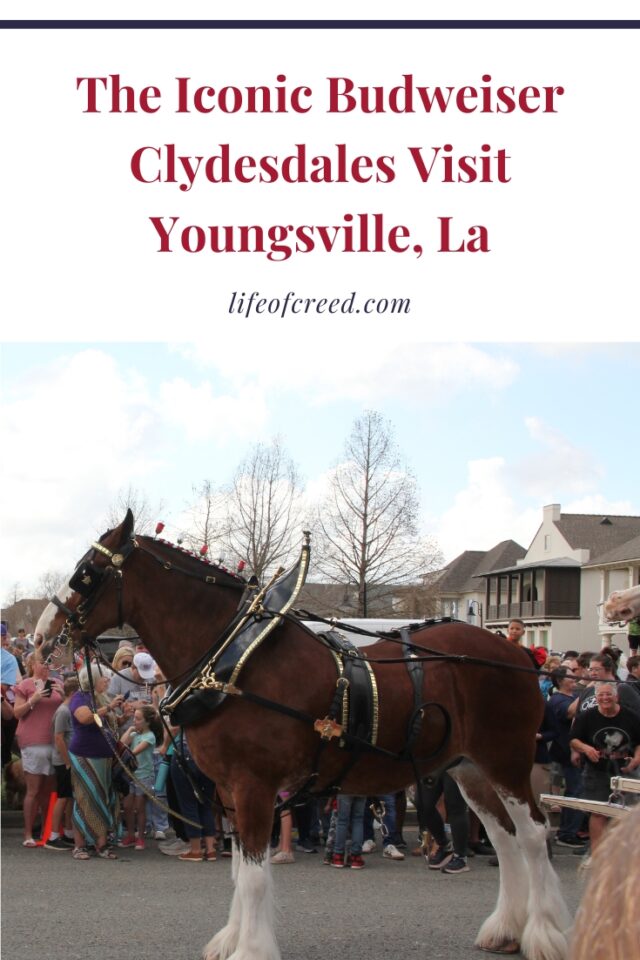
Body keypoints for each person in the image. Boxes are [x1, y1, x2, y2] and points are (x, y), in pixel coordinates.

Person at [569, 681, 640, 853]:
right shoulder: (586, 717)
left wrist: (636, 760)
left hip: (625, 769)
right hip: (596, 770)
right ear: (596, 697)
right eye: (601, 695)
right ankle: (598, 854)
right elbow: (574, 739)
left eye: (608, 694)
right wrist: (585, 748)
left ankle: (626, 853)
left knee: (628, 812)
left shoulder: (631, 716)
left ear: (616, 697)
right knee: (598, 811)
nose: (605, 698)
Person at [68, 663, 124, 860]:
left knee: (103, 798)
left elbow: (108, 722)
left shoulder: (101, 697)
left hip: (104, 756)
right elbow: (84, 718)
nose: (107, 680)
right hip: (85, 755)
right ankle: (80, 846)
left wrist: (124, 714)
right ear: (91, 679)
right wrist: (108, 707)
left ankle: (101, 844)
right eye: (103, 677)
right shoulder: (80, 698)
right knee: (85, 799)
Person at [12, 650, 64, 846]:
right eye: (42, 662)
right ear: (32, 664)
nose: (46, 666)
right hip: (33, 741)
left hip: (55, 741)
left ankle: (46, 831)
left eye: (49, 662)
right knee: (33, 789)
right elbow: (17, 713)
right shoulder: (25, 685)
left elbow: (66, 708)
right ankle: (28, 834)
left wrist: (63, 696)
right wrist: (33, 700)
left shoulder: (57, 683)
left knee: (50, 790)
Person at [547, 667, 584, 848]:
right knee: (574, 791)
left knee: (578, 790)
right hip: (566, 750)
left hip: (578, 750)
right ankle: (567, 832)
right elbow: (569, 712)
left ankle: (574, 829)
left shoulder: (572, 696)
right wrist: (588, 690)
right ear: (560, 680)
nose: (574, 678)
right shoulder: (557, 699)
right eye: (570, 676)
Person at [118, 704, 163, 850]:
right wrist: (130, 730)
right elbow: (122, 744)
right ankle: (130, 835)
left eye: (138, 719)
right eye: (134, 718)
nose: (134, 721)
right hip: (131, 775)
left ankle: (141, 837)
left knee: (140, 807)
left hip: (144, 776)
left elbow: (133, 752)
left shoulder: (149, 736)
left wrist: (125, 754)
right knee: (127, 806)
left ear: (147, 722)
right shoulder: (135, 733)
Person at [45, 675, 80, 850]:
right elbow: (59, 738)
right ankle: (53, 835)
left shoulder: (69, 711)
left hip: (70, 760)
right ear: (73, 693)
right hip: (63, 761)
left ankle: (68, 832)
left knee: (69, 797)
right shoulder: (63, 711)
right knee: (62, 797)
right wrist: (67, 762)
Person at [330, 794, 366, 869]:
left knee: (342, 821)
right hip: (362, 787)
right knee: (358, 820)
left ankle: (338, 856)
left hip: (345, 788)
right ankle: (356, 857)